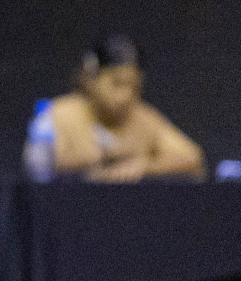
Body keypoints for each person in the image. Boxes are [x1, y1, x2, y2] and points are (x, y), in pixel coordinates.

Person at [48, 35, 205, 183]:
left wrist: (144, 165)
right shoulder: (61, 113)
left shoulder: (142, 116)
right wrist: (104, 163)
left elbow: (192, 158)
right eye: (117, 83)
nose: (125, 95)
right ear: (90, 80)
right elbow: (41, 164)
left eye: (133, 86)